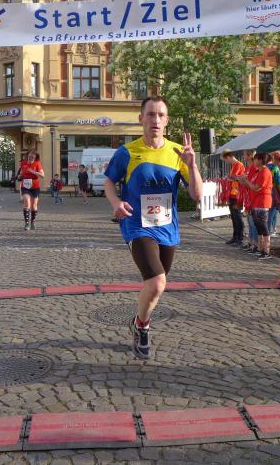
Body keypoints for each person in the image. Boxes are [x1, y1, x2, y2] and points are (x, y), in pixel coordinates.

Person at [104, 96, 203, 360]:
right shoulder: (127, 152)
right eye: (150, 114)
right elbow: (109, 181)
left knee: (155, 284)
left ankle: (139, 320)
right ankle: (143, 327)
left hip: (167, 227)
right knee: (157, 282)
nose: (155, 120)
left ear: (167, 121)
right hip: (136, 225)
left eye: (160, 115)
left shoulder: (178, 152)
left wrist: (192, 165)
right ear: (141, 119)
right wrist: (116, 203)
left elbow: (196, 195)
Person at [238, 152, 273, 260]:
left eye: (256, 159)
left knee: (263, 226)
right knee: (258, 227)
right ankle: (260, 249)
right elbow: (250, 185)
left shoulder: (265, 172)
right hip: (255, 202)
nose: (255, 161)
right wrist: (242, 179)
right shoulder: (258, 172)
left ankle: (266, 251)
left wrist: (246, 180)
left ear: (261, 160)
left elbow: (256, 187)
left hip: (262, 202)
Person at [221, 150, 245, 244]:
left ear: (228, 157)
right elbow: (232, 177)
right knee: (234, 216)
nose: (226, 162)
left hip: (236, 194)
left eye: (225, 160)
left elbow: (233, 177)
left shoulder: (238, 165)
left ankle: (239, 237)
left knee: (237, 216)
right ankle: (235, 236)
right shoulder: (235, 165)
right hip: (233, 193)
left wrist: (229, 177)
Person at [19, 150, 44, 230]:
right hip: (25, 187)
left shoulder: (37, 163)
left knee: (34, 206)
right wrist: (20, 176)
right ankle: (26, 224)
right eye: (29, 156)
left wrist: (33, 172)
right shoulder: (23, 163)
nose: (31, 158)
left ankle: (32, 222)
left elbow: (42, 175)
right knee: (27, 204)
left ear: (35, 157)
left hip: (35, 187)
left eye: (33, 157)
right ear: (27, 155)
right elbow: (21, 173)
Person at [240, 149, 258, 252]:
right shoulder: (248, 167)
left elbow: (252, 184)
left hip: (253, 198)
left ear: (249, 155)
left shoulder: (254, 168)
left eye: (244, 154)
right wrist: (241, 179)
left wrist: (243, 179)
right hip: (247, 197)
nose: (243, 156)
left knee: (252, 222)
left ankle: (255, 244)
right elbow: (245, 183)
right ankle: (251, 242)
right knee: (249, 221)